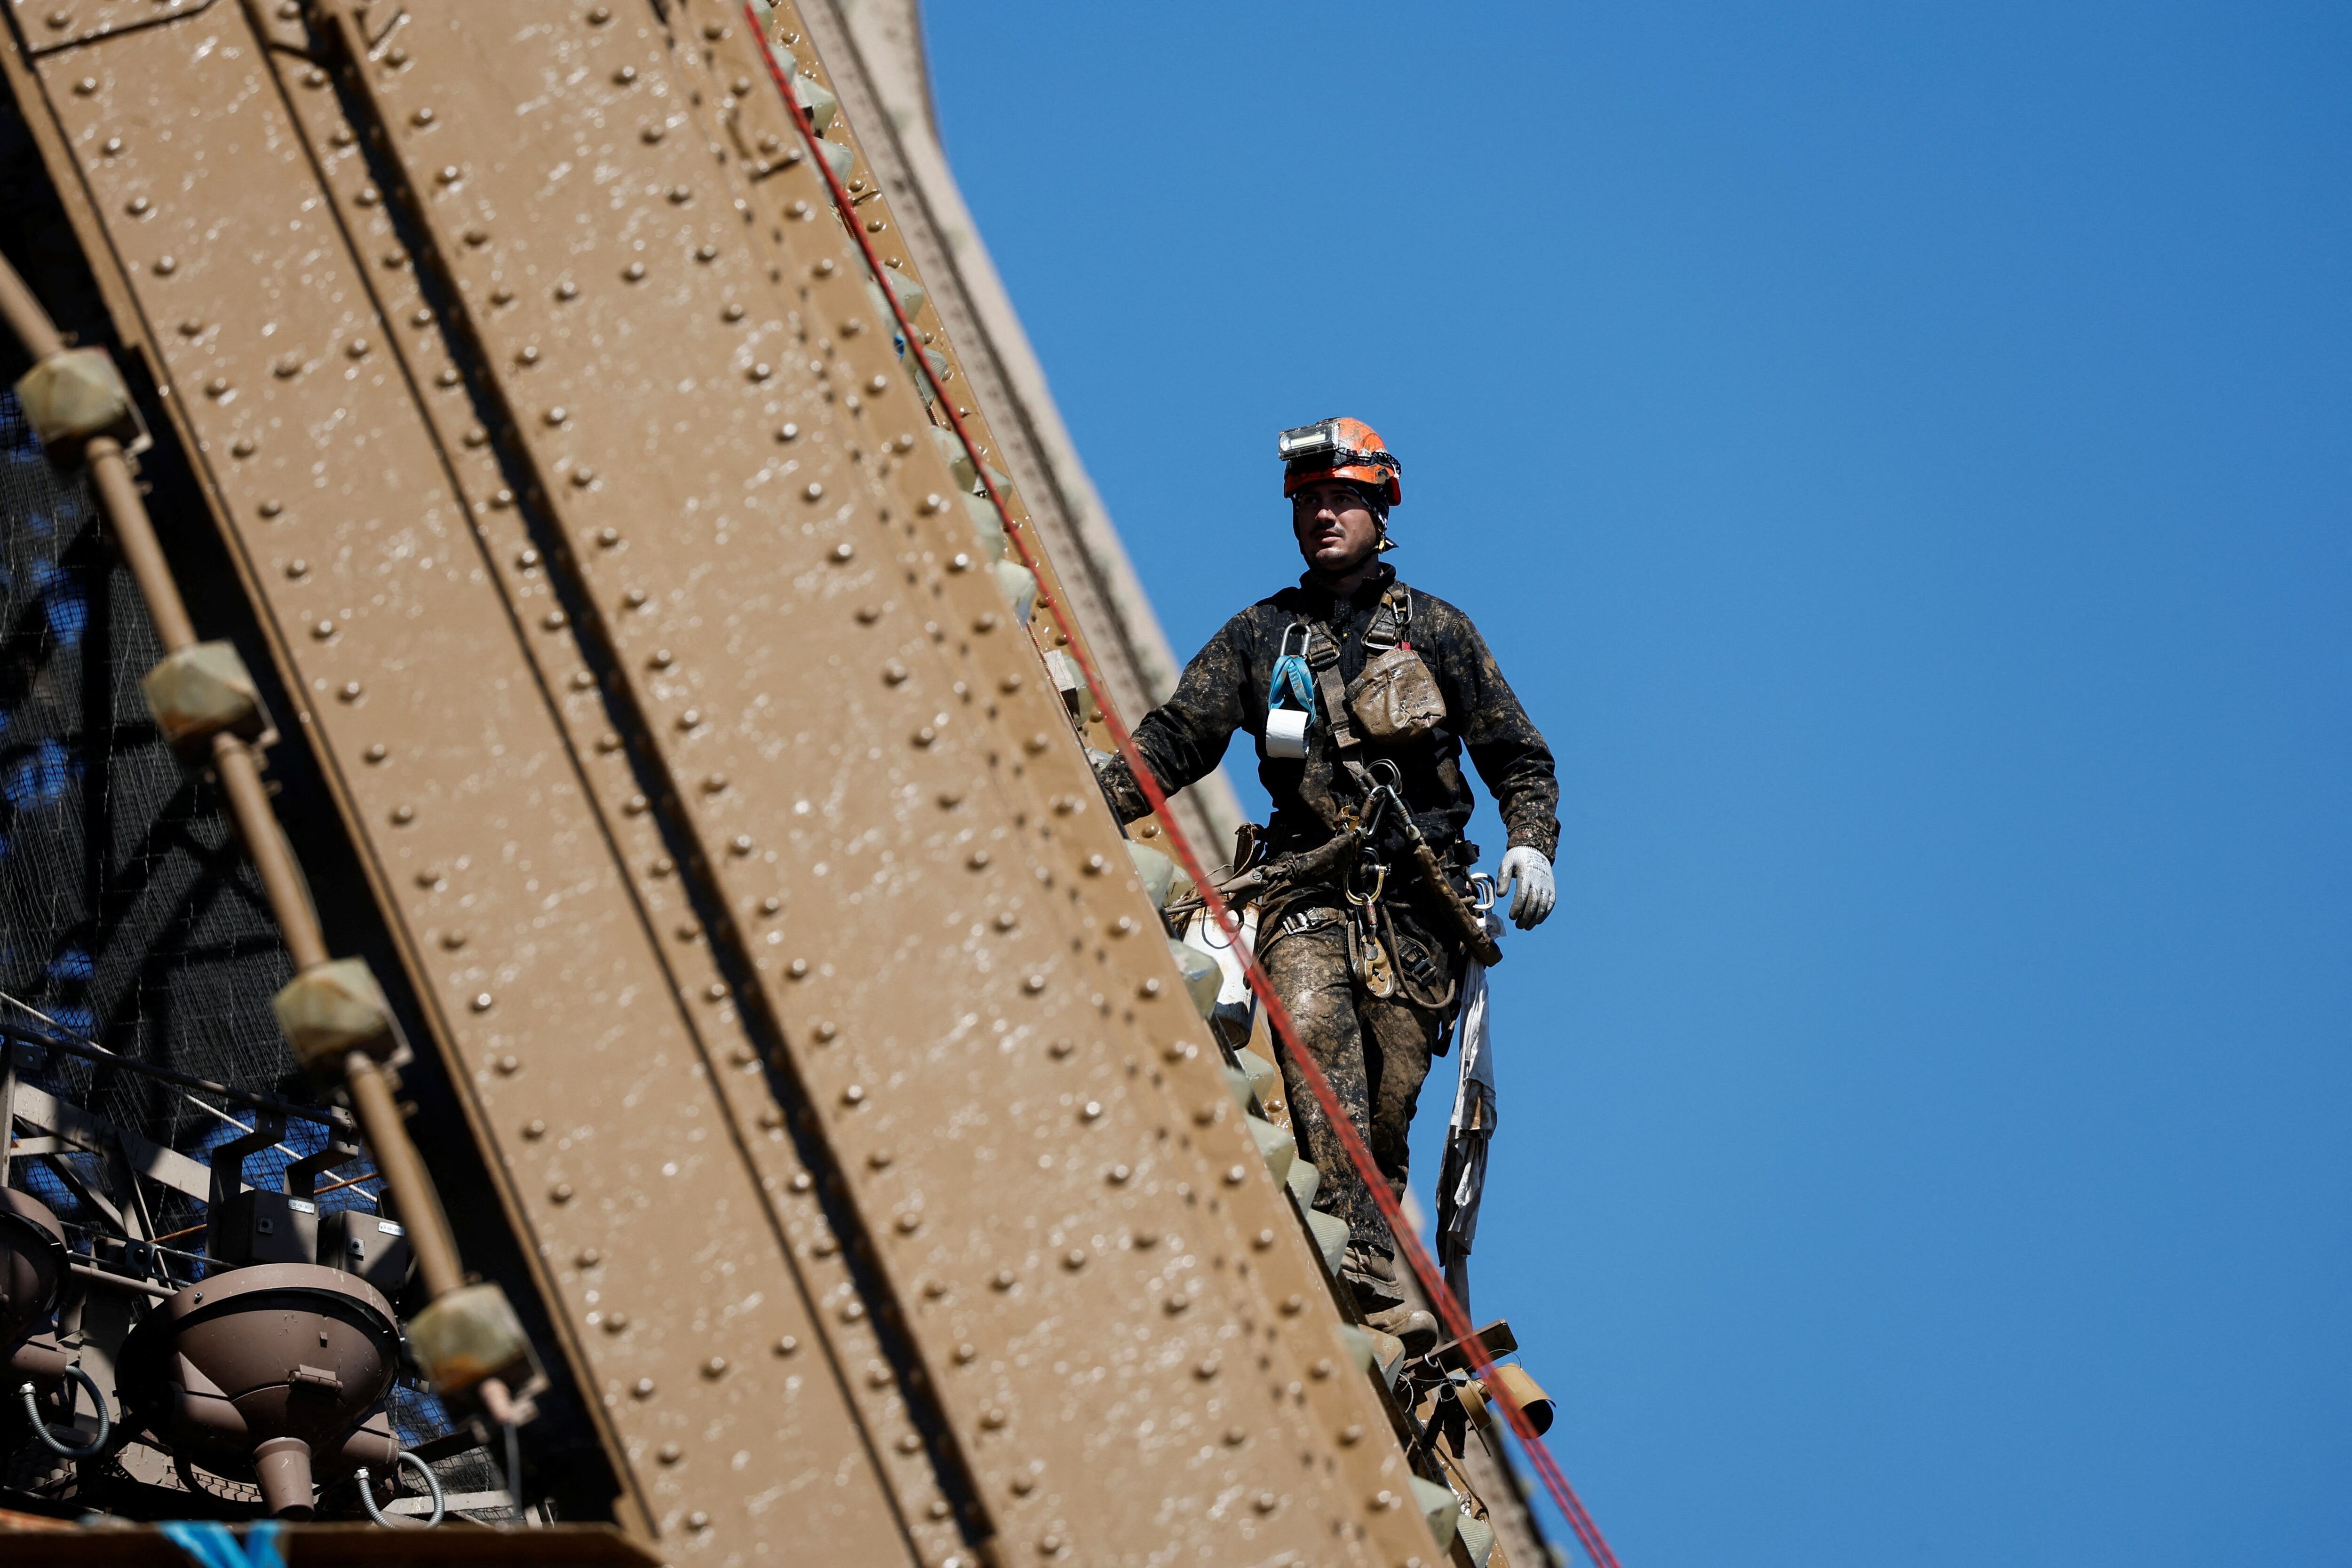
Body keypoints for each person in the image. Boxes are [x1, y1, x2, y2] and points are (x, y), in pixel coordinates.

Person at [1095, 417, 1558, 1326]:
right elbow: (1178, 737)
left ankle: (1371, 1242)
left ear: (1382, 508)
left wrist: (1531, 837)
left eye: (1342, 498)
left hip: (1418, 916)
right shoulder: (1261, 637)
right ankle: (1371, 1273)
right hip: (1305, 891)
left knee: (1388, 1106)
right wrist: (1089, 798)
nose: (1323, 515)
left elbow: (1520, 756)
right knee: (1313, 1046)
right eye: (1308, 502)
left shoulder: (1438, 633)